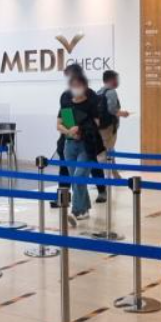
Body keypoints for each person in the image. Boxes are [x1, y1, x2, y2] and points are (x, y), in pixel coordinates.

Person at [57, 72, 103, 222]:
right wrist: (69, 131)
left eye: (78, 85)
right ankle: (85, 209)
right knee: (77, 180)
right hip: (69, 145)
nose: (75, 88)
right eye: (73, 85)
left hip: (87, 145)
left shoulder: (91, 103)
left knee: (78, 177)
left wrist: (81, 129)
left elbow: (97, 124)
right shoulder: (66, 103)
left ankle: (75, 211)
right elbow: (59, 124)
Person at [96, 70, 131, 175]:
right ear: (111, 80)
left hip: (101, 128)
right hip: (109, 128)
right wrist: (123, 113)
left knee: (109, 150)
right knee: (106, 153)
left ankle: (115, 174)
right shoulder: (111, 92)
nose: (117, 81)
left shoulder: (99, 92)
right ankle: (107, 178)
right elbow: (112, 110)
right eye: (116, 79)